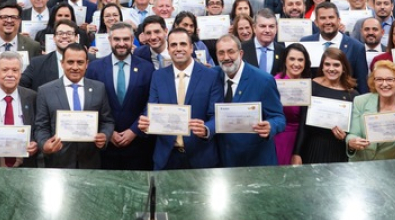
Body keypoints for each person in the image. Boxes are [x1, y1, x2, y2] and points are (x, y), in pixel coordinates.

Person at [139, 28, 223, 170]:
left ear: (191, 48)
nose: (178, 49)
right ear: (169, 49)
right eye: (173, 45)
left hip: (201, 157)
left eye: (183, 44)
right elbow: (151, 108)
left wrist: (206, 129)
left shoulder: (211, 76)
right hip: (166, 157)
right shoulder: (158, 76)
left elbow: (217, 115)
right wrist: (146, 121)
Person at [85, 22, 155, 170]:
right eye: (117, 39)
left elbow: (151, 103)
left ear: (132, 40)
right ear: (110, 40)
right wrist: (108, 132)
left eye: (126, 39)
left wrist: (134, 131)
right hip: (104, 146)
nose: (121, 44)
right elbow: (89, 104)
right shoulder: (94, 68)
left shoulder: (146, 68)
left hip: (139, 145)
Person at [34, 43, 114, 169]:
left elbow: (107, 121)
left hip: (90, 162)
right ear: (62, 63)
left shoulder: (99, 88)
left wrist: (104, 136)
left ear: (87, 64)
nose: (75, 67)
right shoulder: (45, 91)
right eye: (70, 62)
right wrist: (45, 145)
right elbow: (41, 126)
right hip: (57, 162)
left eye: (80, 62)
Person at [215, 34, 286, 167]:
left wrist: (270, 126)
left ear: (241, 53)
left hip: (255, 160)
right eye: (221, 53)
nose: (226, 57)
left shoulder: (263, 80)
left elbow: (279, 118)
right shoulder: (213, 76)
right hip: (223, 160)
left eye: (231, 52)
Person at [347, 59, 395, 161]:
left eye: (390, 79)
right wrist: (351, 143)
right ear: (373, 82)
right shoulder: (360, 102)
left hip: (393, 171)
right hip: (360, 169)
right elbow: (353, 134)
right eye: (379, 79)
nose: (384, 84)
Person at [292, 48, 358, 164]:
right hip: (312, 147)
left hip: (338, 150)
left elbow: (354, 129)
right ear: (322, 67)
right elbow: (303, 124)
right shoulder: (311, 87)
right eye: (327, 64)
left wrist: (345, 137)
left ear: (343, 68)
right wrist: (297, 153)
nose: (331, 69)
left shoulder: (352, 95)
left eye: (336, 65)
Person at [300, 2, 369, 93]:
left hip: (345, 101)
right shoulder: (306, 43)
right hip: (314, 100)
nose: (328, 22)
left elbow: (362, 85)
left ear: (339, 20)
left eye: (331, 17)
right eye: (323, 18)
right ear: (316, 22)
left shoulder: (356, 47)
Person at [273, 43, 312, 165]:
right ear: (285, 61)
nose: (296, 64)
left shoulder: (309, 83)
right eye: (292, 59)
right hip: (281, 138)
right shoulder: (275, 83)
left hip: (304, 139)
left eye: (300, 60)